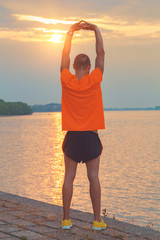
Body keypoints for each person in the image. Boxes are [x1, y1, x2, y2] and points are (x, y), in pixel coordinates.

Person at [60, 20, 107, 230]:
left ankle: (66, 220)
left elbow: (63, 57)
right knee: (93, 177)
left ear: (73, 67)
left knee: (68, 177)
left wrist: (70, 33)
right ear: (89, 68)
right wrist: (95, 30)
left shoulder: (66, 80)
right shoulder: (95, 78)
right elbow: (102, 53)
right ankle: (97, 221)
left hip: (72, 136)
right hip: (89, 136)